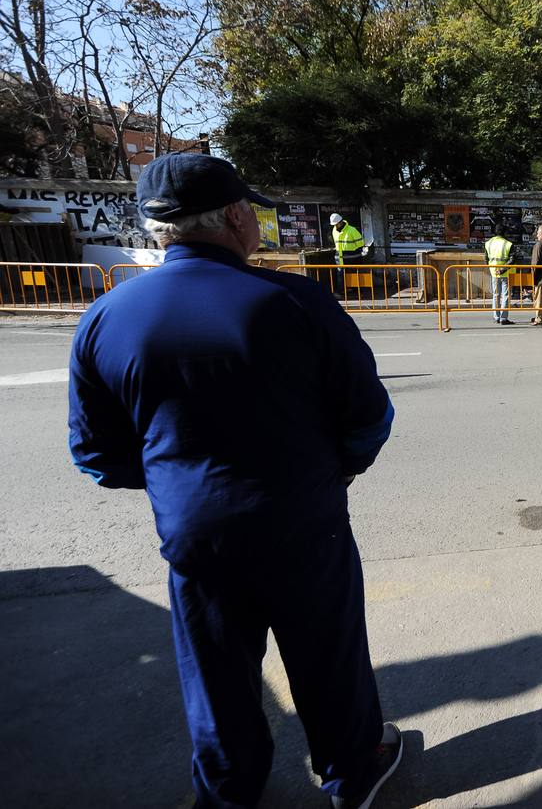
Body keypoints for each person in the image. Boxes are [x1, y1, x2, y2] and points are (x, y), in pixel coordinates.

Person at [68, 153, 402, 808]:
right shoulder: (296, 300)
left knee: (215, 673)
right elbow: (368, 416)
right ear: (234, 220)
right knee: (327, 657)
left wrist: (183, 484)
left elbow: (97, 457)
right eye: (249, 210)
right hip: (303, 523)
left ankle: (230, 791)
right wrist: (337, 471)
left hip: (196, 538)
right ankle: (351, 773)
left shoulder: (106, 319)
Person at [484, 223, 515, 325]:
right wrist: (502, 269)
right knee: (505, 295)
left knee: (495, 295)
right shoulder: (508, 244)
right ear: (504, 232)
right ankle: (503, 318)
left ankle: (496, 317)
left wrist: (492, 269)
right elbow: (512, 260)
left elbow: (486, 259)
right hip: (505, 273)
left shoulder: (488, 243)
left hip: (493, 272)